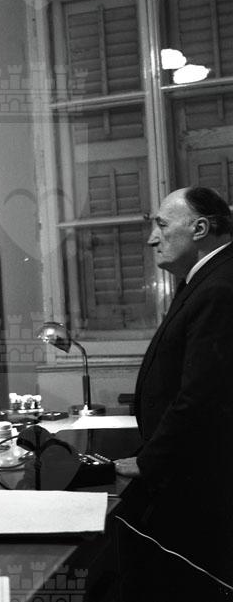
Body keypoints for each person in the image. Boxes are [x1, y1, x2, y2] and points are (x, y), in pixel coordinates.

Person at [115, 187, 233, 600]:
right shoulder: (204, 281)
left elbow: (201, 396)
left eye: (162, 225)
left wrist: (148, 461)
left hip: (201, 481)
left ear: (199, 228)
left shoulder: (219, 288)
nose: (152, 239)